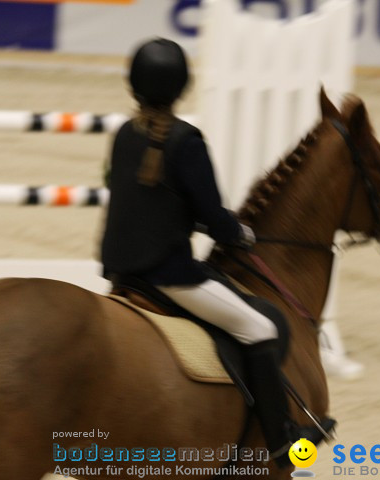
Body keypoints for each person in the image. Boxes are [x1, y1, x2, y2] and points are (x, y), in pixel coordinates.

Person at [101, 37, 299, 465]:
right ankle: (281, 441)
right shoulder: (187, 140)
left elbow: (129, 192)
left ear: (133, 85)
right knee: (259, 328)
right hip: (167, 276)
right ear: (181, 87)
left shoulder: (122, 135)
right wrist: (240, 234)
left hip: (119, 271)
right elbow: (212, 215)